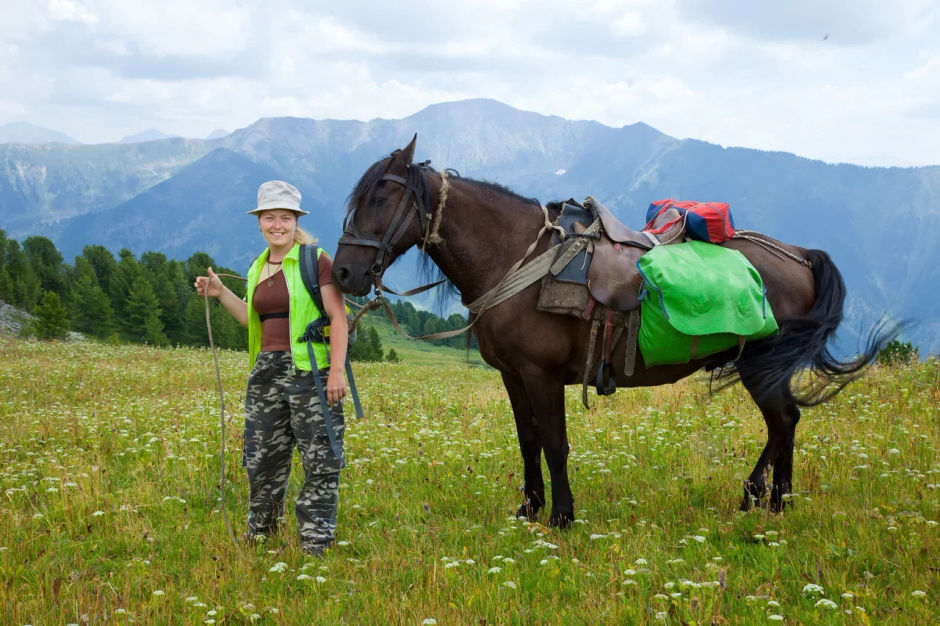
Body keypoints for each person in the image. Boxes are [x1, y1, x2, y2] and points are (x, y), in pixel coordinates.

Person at [194, 180, 349, 556]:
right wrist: (219, 293)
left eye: (284, 217)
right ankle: (261, 532)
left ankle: (315, 541)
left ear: (296, 221)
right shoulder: (258, 266)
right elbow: (253, 321)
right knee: (262, 457)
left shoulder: (315, 260)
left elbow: (338, 318)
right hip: (265, 373)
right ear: (259, 222)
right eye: (269, 217)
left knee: (320, 459)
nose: (276, 224)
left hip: (310, 371)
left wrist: (336, 372)